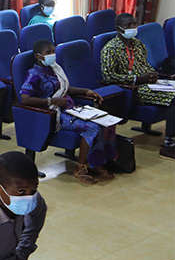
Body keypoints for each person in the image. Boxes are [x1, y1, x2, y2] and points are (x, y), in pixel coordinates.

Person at [19, 39, 116, 183]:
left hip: (69, 108)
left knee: (105, 121)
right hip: (52, 114)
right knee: (92, 127)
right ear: (38, 56)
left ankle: (97, 163)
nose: (52, 54)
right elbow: (25, 99)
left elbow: (65, 88)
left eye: (53, 51)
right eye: (48, 52)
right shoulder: (33, 74)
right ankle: (81, 168)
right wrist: (52, 101)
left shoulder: (55, 68)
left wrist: (87, 92)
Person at [99, 13, 175, 160]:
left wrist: (152, 74)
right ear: (118, 29)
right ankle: (168, 145)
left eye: (134, 24)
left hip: (152, 83)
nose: (133, 28)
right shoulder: (110, 49)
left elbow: (145, 65)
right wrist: (136, 79)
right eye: (128, 26)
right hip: (134, 89)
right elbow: (108, 77)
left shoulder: (138, 44)